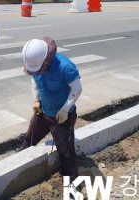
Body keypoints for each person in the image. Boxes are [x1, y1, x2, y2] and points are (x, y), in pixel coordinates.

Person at [20, 37, 83, 182]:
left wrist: (65, 109)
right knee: (30, 137)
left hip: (62, 116)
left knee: (65, 150)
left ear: (47, 60)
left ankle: (71, 181)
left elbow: (77, 89)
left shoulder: (65, 67)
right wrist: (36, 100)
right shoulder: (35, 63)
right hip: (42, 112)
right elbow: (34, 80)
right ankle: (21, 160)